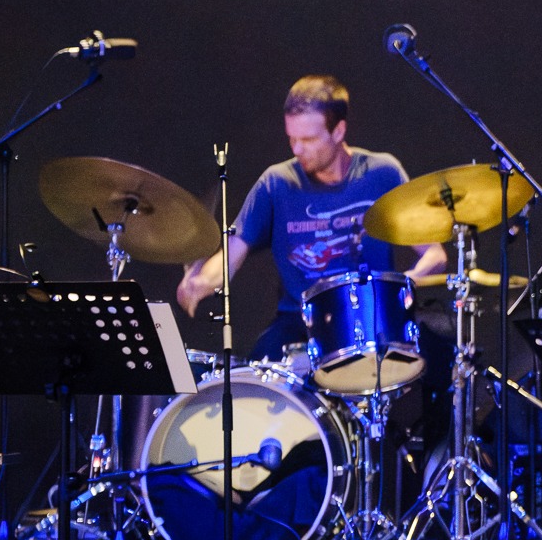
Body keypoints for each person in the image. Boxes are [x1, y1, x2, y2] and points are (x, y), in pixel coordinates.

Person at [176, 76, 446, 362]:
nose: (297, 149)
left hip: (372, 318)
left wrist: (405, 287)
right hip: (300, 323)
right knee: (258, 374)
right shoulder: (276, 183)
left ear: (339, 131)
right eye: (291, 138)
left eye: (308, 139)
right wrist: (201, 282)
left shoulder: (382, 173)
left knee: (434, 357)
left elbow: (435, 254)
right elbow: (233, 253)